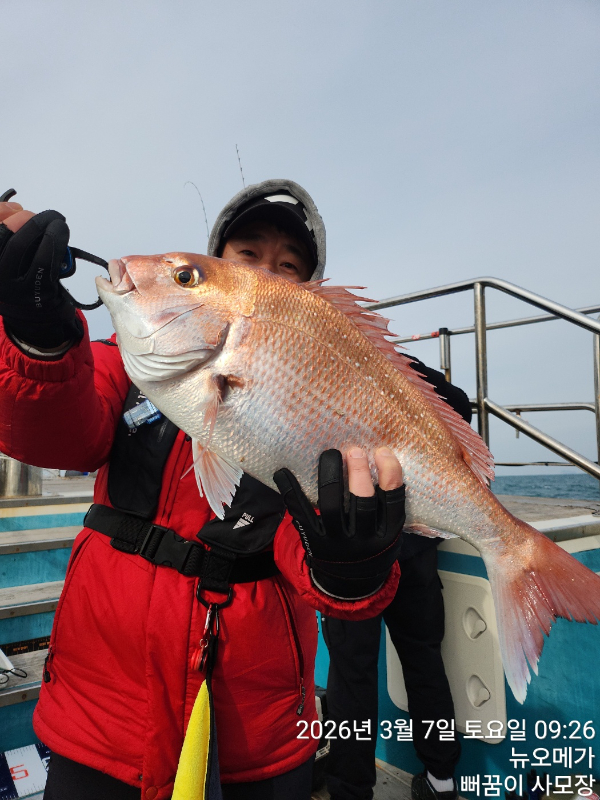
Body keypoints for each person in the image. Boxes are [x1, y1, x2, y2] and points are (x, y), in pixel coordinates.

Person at [0, 179, 406, 800]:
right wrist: (40, 335)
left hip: (260, 732)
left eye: (289, 267)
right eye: (246, 254)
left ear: (309, 295)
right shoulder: (122, 361)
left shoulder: (315, 409)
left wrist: (352, 569)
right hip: (104, 719)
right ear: (220, 265)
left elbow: (313, 562)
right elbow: (59, 437)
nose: (265, 273)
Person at [323, 368, 471, 800]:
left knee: (351, 674)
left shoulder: (346, 371)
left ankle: (350, 790)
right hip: (415, 548)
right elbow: (461, 403)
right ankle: (442, 778)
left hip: (358, 553)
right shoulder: (421, 377)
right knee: (424, 661)